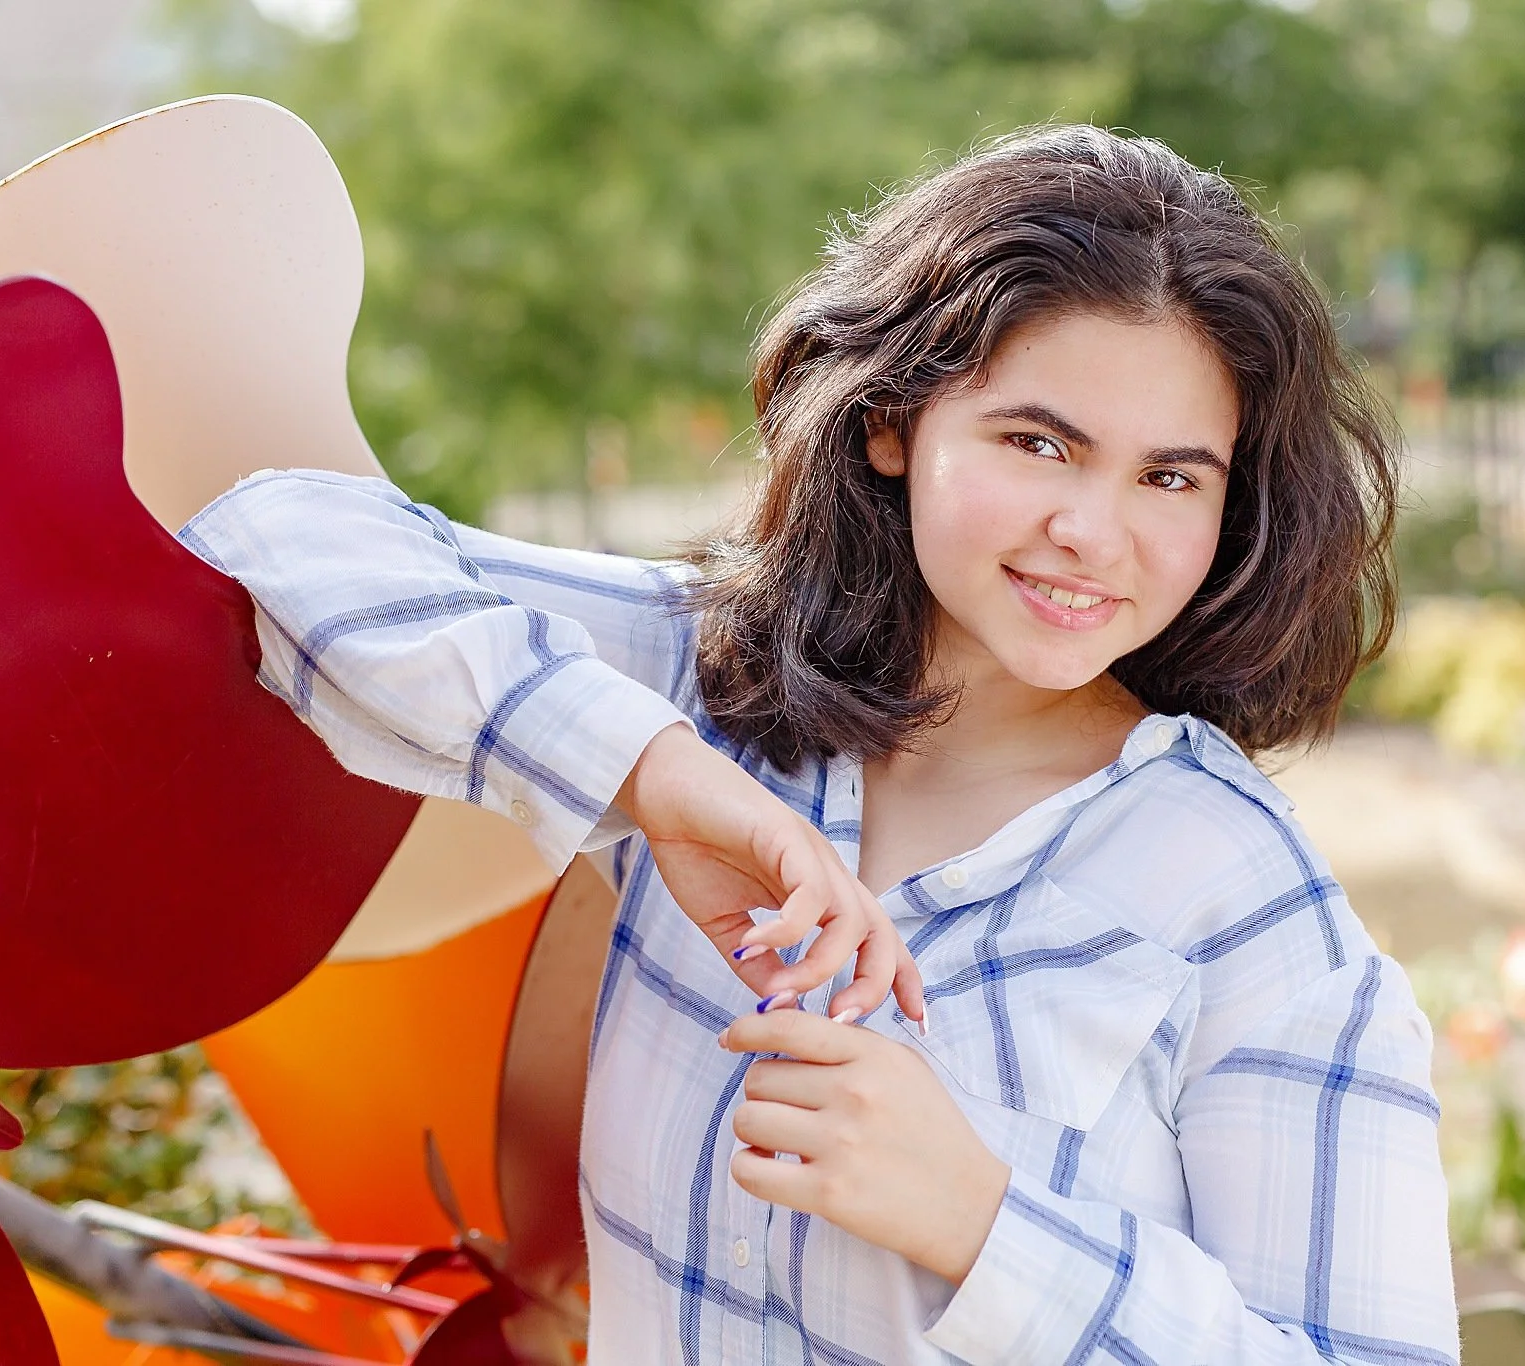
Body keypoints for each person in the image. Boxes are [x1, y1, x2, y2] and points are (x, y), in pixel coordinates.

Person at [182, 125, 1456, 1366]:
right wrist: (654, 777)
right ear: (890, 423)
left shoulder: (1244, 907)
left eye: (1169, 477)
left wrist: (984, 1224)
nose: (1094, 531)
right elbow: (266, 541)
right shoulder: (703, 680)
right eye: (1036, 442)